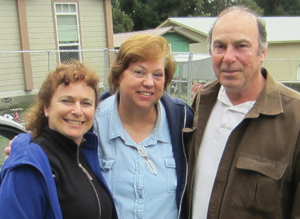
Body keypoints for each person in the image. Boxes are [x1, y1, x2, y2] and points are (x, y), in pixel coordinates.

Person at [184, 5, 300, 219]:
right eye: (219, 46)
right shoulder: (203, 101)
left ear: (262, 52)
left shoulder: (294, 117)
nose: (228, 57)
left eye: (241, 46)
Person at [0, 61, 117, 219]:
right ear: (47, 107)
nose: (77, 111)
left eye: (86, 103)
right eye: (67, 101)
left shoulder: (86, 154)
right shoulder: (28, 165)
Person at [94, 34, 193, 218]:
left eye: (157, 75)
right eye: (139, 72)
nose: (148, 82)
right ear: (118, 76)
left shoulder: (183, 121)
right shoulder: (93, 122)